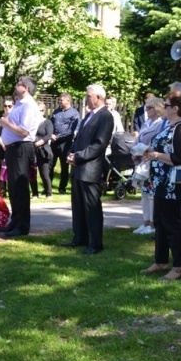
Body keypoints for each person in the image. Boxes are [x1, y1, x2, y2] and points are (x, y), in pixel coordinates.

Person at [141, 93, 181, 280]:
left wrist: (156, 155)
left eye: (168, 104)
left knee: (172, 225)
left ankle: (179, 266)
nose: (165, 106)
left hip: (173, 184)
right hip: (161, 182)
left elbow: (179, 158)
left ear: (176, 109)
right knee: (160, 223)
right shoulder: (169, 126)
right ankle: (160, 260)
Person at [62, 84, 114, 254]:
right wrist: (72, 153)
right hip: (78, 168)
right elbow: (79, 139)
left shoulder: (106, 116)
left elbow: (99, 144)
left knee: (92, 207)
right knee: (78, 206)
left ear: (98, 97)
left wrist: (79, 156)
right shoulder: (89, 116)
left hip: (91, 169)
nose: (86, 98)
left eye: (88, 95)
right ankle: (79, 238)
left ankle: (95, 243)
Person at [0, 76, 41, 237]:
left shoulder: (29, 106)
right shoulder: (19, 104)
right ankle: (15, 221)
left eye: (19, 84)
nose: (16, 86)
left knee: (20, 188)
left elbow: (24, 131)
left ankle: (22, 226)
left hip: (21, 148)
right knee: (13, 187)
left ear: (26, 88)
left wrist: (5, 124)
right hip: (12, 149)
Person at [133, 97, 165, 235]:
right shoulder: (147, 123)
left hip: (152, 161)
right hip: (141, 160)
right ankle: (145, 221)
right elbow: (137, 139)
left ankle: (152, 224)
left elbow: (156, 142)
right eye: (146, 108)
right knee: (144, 193)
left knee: (151, 193)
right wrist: (135, 152)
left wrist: (145, 151)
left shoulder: (160, 124)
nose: (146, 110)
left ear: (157, 109)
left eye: (149, 108)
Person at [50, 93, 80, 195]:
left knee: (64, 167)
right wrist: (50, 134)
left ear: (68, 100)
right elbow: (50, 124)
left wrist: (57, 136)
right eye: (59, 100)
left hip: (65, 143)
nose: (59, 102)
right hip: (54, 143)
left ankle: (62, 188)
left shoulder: (74, 113)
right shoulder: (56, 112)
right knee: (50, 164)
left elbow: (71, 130)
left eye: (61, 100)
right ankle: (48, 187)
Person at [30, 102, 54, 199]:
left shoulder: (47, 122)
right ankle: (35, 193)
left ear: (43, 111)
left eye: (40, 110)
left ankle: (48, 193)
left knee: (44, 173)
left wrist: (39, 142)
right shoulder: (31, 122)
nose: (38, 112)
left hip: (43, 150)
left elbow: (48, 135)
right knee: (32, 172)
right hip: (31, 150)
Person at [0, 98, 14, 198]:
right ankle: (2, 192)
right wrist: (3, 144)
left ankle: (12, 190)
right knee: (1, 169)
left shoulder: (15, 117)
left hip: (12, 146)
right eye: (5, 106)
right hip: (1, 146)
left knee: (12, 169)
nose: (7, 108)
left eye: (9, 106)